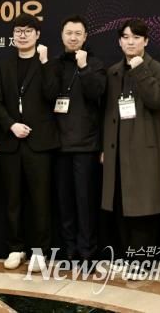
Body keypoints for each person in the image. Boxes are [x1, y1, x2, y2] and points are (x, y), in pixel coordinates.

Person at [101, 18, 160, 280]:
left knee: (143, 208)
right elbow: (107, 113)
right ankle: (124, 256)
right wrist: (104, 148)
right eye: (126, 37)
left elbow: (158, 100)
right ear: (119, 41)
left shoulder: (156, 68)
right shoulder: (113, 72)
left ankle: (142, 262)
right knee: (119, 205)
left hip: (144, 149)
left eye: (136, 37)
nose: (130, 42)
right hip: (117, 149)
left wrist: (140, 69)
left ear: (146, 41)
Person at [0, 13, 60, 271]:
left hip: (39, 143)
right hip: (11, 142)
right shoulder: (3, 65)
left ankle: (40, 251)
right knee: (12, 199)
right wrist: (11, 125)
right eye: (18, 31)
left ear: (37, 35)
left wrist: (44, 63)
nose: (22, 35)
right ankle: (15, 248)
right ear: (13, 35)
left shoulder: (47, 63)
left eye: (28, 31)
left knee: (40, 200)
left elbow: (52, 95)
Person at [53, 15, 106, 263]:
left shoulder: (95, 64)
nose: (73, 37)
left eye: (78, 33)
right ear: (62, 35)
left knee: (85, 202)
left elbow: (97, 93)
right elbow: (46, 94)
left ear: (85, 37)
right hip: (58, 144)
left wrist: (84, 68)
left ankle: (87, 252)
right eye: (69, 33)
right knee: (64, 202)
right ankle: (69, 249)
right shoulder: (55, 64)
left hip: (85, 145)